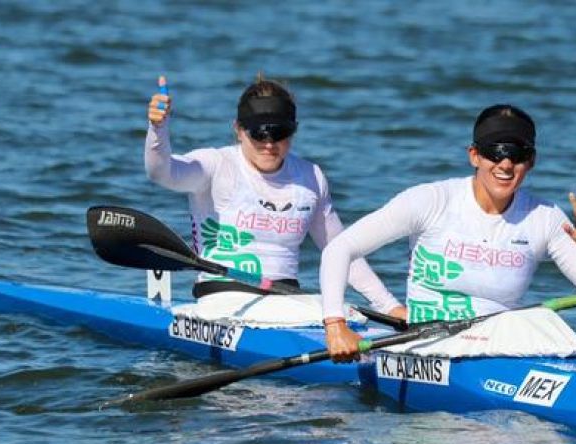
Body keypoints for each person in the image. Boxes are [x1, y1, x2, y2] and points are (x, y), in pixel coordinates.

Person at [320, 104, 576, 360]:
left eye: (517, 154)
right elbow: (338, 249)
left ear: (532, 161)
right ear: (474, 155)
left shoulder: (546, 218)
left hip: (499, 347)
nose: (505, 164)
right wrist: (336, 325)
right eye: (495, 151)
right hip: (427, 343)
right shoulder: (431, 201)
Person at [145, 74, 406, 318]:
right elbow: (162, 172)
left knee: (346, 315)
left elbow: (340, 250)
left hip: (287, 301)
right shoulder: (217, 165)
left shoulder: (310, 177)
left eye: (279, 132)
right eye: (258, 132)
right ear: (238, 129)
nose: (269, 143)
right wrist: (158, 129)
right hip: (222, 300)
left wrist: (390, 307)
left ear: (293, 130)